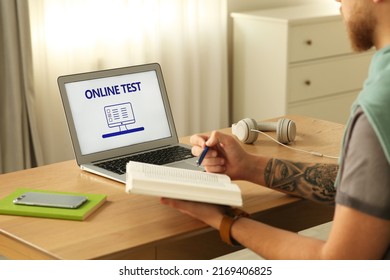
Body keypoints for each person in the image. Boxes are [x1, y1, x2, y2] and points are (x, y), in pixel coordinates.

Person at [161, 0, 390, 259]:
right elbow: (361, 184)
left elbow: (338, 266)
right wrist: (247, 166)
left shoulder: (380, 102)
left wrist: (224, 221)